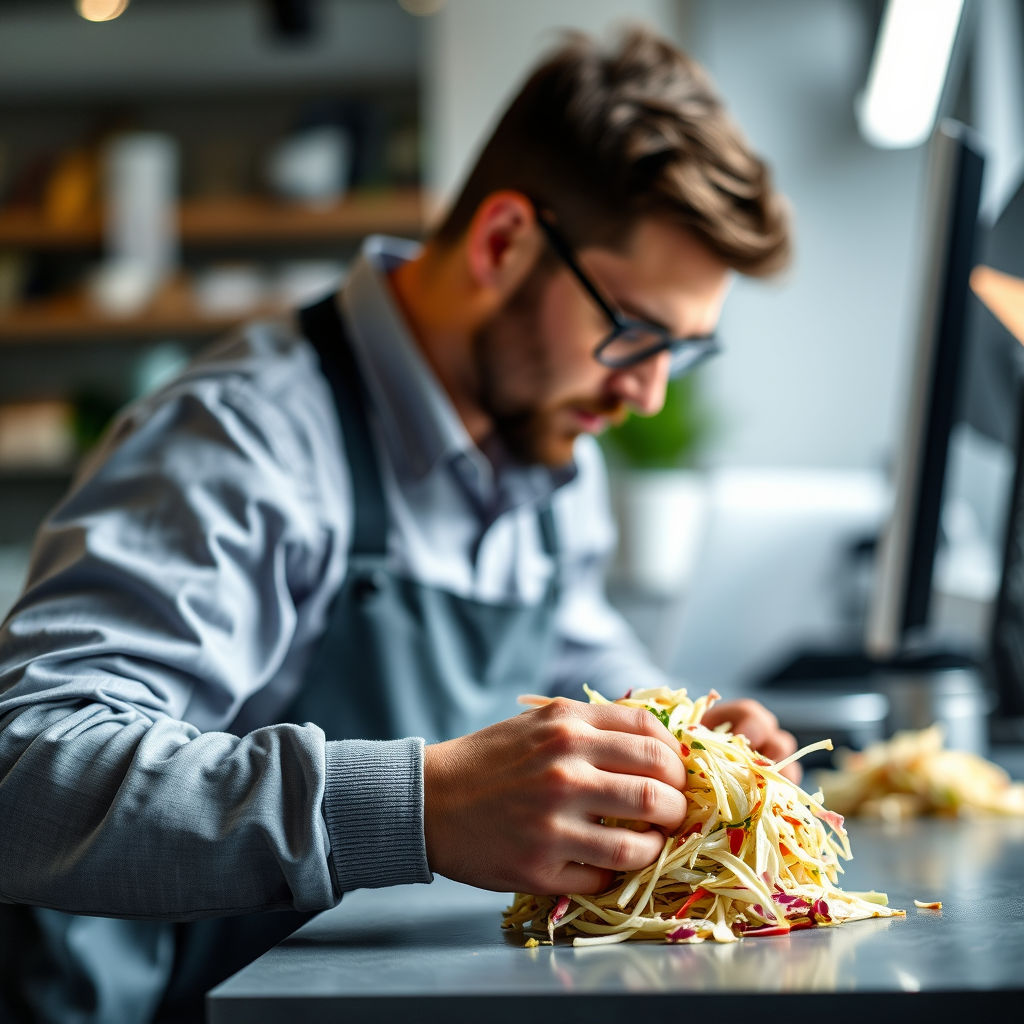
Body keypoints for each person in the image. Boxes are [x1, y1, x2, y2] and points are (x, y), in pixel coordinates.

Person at [0, 27, 794, 1024]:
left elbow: (574, 652)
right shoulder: (243, 440)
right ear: (502, 243)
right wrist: (425, 805)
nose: (646, 392)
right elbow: (26, 767)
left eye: (683, 350)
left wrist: (674, 744)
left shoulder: (552, 448)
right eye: (633, 332)